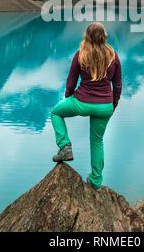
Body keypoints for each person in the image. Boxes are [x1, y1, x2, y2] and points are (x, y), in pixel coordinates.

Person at [51, 22, 122, 189]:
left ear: (87, 36)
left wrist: (68, 100)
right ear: (104, 36)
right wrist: (113, 106)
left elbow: (71, 82)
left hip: (81, 102)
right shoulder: (113, 56)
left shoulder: (80, 54)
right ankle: (96, 181)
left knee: (55, 113)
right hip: (105, 105)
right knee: (97, 141)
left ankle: (65, 146)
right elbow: (117, 86)